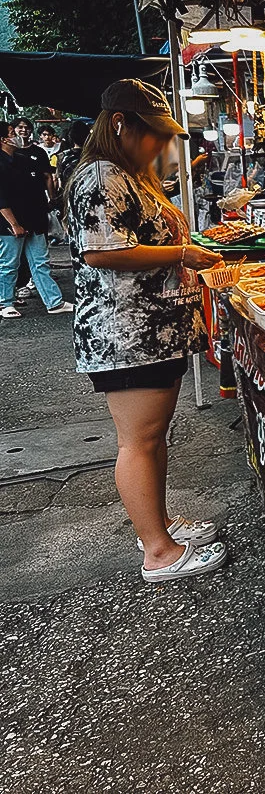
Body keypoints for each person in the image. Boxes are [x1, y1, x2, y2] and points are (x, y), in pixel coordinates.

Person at [64, 79, 227, 583]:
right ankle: (158, 552)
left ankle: (156, 527)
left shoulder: (129, 175)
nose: (161, 145)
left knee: (154, 437)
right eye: (153, 134)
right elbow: (101, 251)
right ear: (120, 125)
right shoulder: (100, 176)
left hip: (153, 329)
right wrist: (182, 253)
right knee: (138, 440)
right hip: (126, 332)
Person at [0, 119, 72, 318]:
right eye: (11, 132)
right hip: (10, 224)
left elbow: (39, 185)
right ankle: (5, 303)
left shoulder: (24, 159)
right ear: (3, 138)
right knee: (9, 264)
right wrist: (14, 223)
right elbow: (1, 199)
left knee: (40, 263)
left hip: (33, 220)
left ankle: (53, 302)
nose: (16, 135)